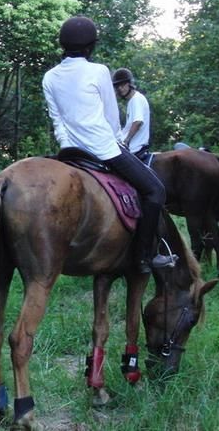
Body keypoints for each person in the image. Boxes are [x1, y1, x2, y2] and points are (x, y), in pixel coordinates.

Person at [42, 16, 174, 273]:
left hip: (69, 152)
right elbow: (112, 117)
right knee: (155, 191)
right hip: (105, 149)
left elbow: (57, 120)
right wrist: (116, 142)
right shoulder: (99, 71)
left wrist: (67, 146)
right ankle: (143, 257)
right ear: (90, 47)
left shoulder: (49, 77)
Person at [113, 68, 151, 159]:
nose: (120, 88)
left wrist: (125, 141)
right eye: (118, 86)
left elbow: (138, 122)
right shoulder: (132, 101)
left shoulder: (136, 99)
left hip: (134, 148)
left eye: (123, 85)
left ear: (129, 84)